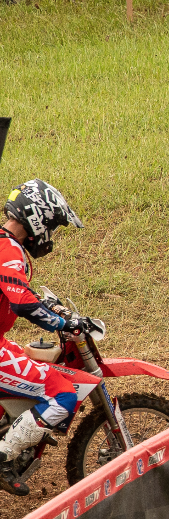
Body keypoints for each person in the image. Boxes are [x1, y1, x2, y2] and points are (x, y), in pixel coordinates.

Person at [0, 181, 91, 492]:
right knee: (63, 394)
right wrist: (59, 323)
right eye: (51, 224)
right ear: (36, 217)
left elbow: (16, 289)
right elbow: (20, 300)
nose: (49, 234)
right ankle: (2, 458)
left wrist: (48, 305)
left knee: (24, 360)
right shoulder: (9, 248)